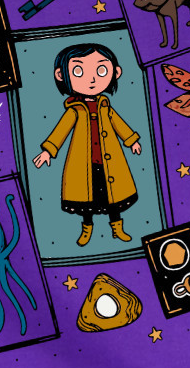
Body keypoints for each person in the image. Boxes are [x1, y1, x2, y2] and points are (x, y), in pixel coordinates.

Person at [33, 42, 142, 246]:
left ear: (116, 72)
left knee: (113, 198)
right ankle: (86, 229)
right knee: (86, 200)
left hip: (110, 161)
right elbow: (61, 131)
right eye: (78, 71)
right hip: (83, 164)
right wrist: (48, 151)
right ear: (61, 75)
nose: (91, 79)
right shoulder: (74, 110)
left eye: (101, 70)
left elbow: (119, 124)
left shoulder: (105, 106)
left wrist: (132, 140)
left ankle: (117, 228)